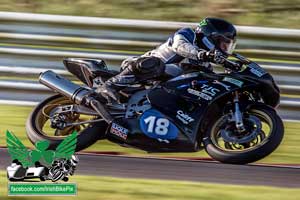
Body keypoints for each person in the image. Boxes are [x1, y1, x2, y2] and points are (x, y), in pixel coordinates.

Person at [97, 17, 237, 102]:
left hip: (158, 86)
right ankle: (109, 86)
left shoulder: (205, 65)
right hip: (140, 66)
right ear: (210, 37)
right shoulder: (188, 34)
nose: (224, 49)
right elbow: (180, 47)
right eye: (223, 43)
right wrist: (202, 54)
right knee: (155, 64)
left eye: (228, 45)